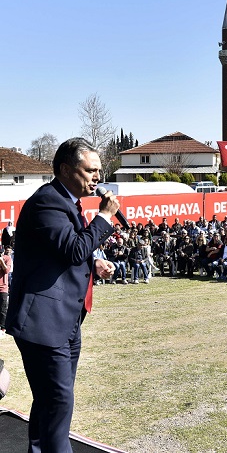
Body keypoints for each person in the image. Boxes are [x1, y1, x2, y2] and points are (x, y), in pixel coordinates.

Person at [5, 138, 119, 451]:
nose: (97, 177)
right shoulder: (48, 202)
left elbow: (60, 253)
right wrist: (106, 217)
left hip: (66, 320)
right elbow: (72, 249)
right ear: (66, 170)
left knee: (49, 399)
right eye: (90, 170)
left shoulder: (67, 202)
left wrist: (94, 264)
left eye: (99, 170)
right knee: (58, 400)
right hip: (43, 323)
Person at [0, 245, 12, 338]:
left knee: (3, 309)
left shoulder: (7, 258)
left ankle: (3, 328)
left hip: (3, 288)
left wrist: (1, 261)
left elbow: (7, 270)